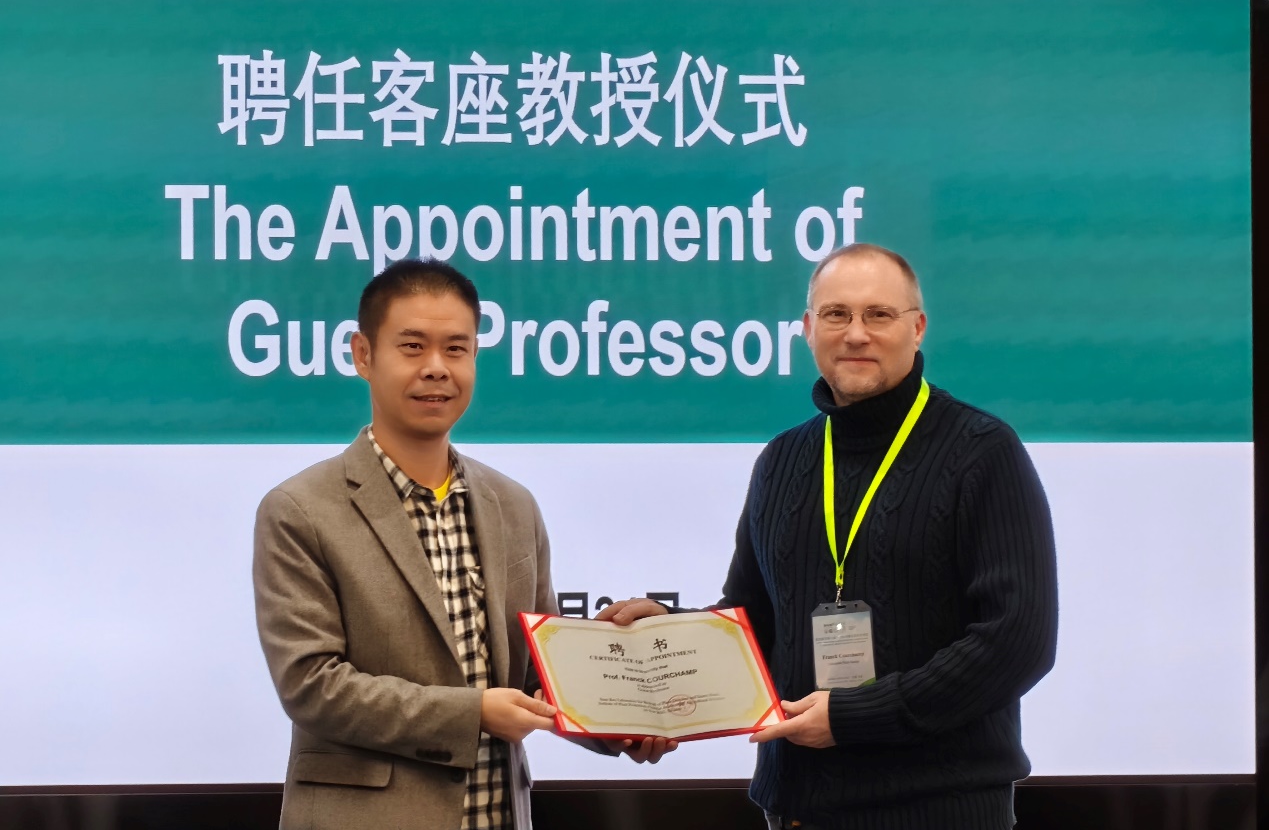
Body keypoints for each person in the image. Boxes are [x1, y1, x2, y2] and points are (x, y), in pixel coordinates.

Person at [600, 243, 1059, 829]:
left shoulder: (982, 452)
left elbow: (1017, 642)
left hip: (939, 809)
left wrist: (856, 716)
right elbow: (756, 621)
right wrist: (665, 645)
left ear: (918, 328)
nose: (856, 334)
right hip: (797, 809)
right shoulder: (783, 459)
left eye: (879, 314)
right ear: (808, 328)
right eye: (837, 314)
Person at [253, 259, 668, 830]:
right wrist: (473, 713)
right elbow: (312, 686)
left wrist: (620, 721)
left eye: (456, 349)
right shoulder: (299, 509)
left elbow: (535, 677)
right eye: (412, 347)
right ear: (363, 355)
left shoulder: (513, 505)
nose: (436, 368)